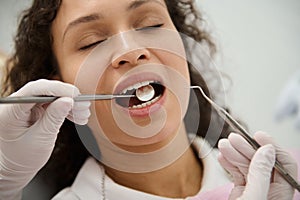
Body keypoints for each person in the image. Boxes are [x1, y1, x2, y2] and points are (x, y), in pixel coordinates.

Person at [0, 0, 298, 199]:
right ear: (57, 91)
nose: (131, 50)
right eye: (93, 41)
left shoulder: (280, 179)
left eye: (150, 24)